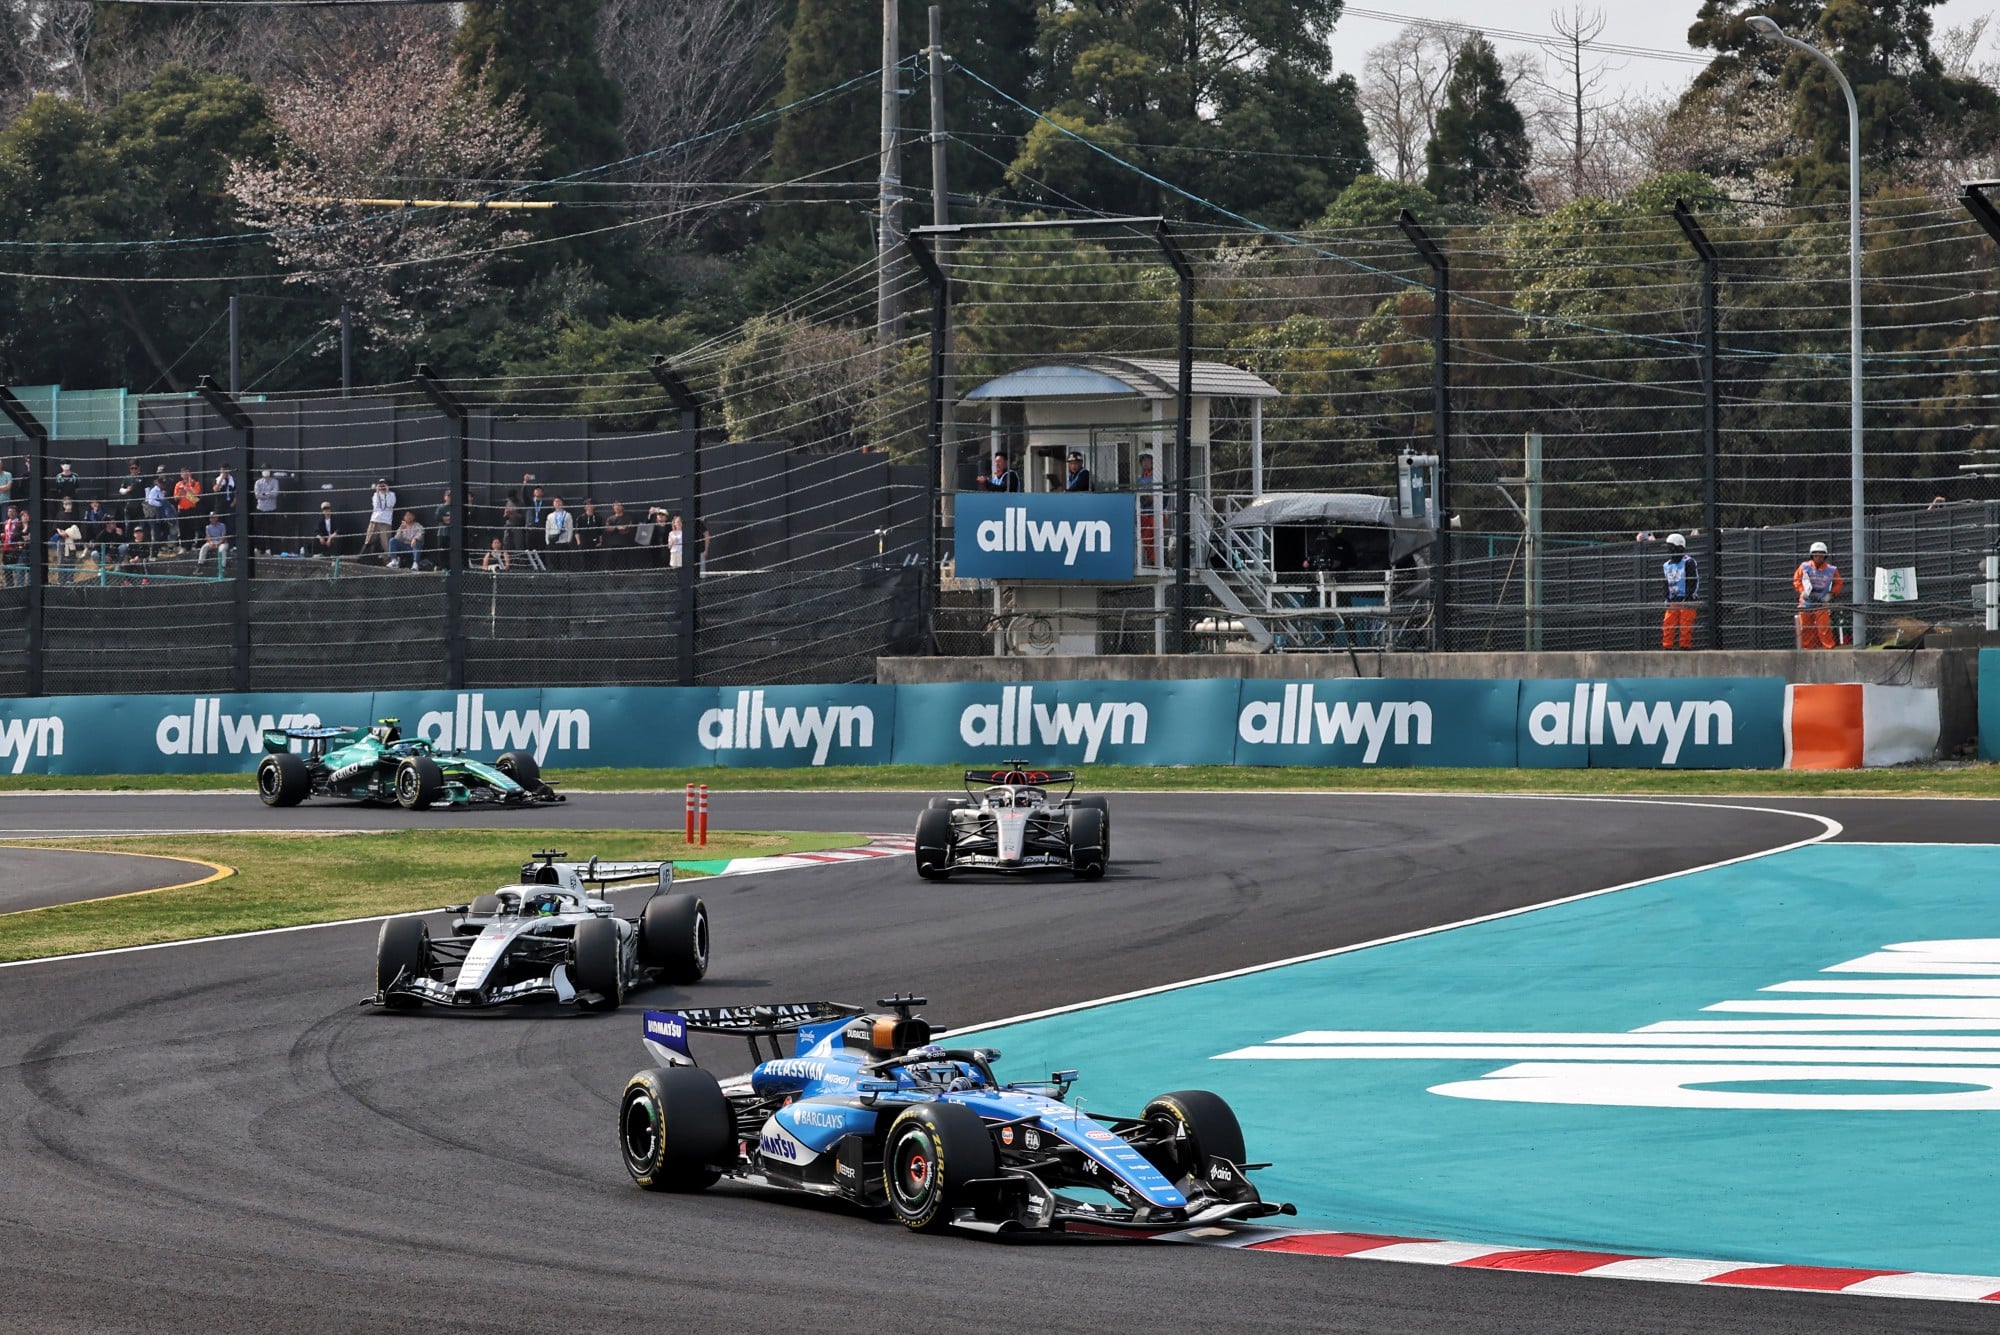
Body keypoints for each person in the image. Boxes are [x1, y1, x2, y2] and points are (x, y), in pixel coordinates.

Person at [1794, 541, 1843, 649]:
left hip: (1822, 602)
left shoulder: (1831, 570)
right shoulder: (1804, 567)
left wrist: (1831, 594)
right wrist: (1802, 591)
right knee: (1806, 628)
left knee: (1824, 627)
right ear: (1812, 555)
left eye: (1821, 555)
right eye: (1816, 555)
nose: (1818, 557)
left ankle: (1828, 649)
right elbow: (1797, 580)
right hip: (1806, 602)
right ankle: (1808, 649)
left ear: (1825, 556)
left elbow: (1838, 583)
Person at [1658, 533, 1698, 650]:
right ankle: (1667, 647)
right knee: (1668, 623)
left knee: (1686, 625)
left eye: (1671, 547)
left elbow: (1693, 580)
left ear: (1678, 547)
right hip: (1673, 599)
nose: (1668, 551)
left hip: (1687, 598)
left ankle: (1685, 647)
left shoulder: (1688, 562)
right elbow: (1665, 582)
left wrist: (1690, 595)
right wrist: (1666, 597)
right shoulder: (1666, 565)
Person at [1136, 451, 1159, 565]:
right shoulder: (1139, 479)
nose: (1146, 463)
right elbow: (1138, 496)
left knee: (1154, 537)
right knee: (1145, 539)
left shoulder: (1159, 476)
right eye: (1143, 461)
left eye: (1148, 460)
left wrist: (1152, 499)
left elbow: (1164, 495)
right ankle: (1152, 561)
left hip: (1157, 513)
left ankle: (1155, 561)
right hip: (1143, 512)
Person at [364, 479, 396, 561]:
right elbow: (376, 505)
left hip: (386, 522)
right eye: (381, 485)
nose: (382, 487)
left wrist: (387, 492)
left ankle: (388, 560)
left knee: (385, 542)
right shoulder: (375, 495)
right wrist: (378, 492)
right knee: (369, 539)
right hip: (375, 520)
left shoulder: (392, 494)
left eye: (384, 485)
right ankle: (365, 557)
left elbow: (390, 504)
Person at [173, 467, 202, 545]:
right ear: (181, 474)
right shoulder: (178, 485)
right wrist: (181, 493)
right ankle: (183, 546)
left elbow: (196, 498)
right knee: (182, 529)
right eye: (183, 472)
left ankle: (192, 545)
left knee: (192, 529)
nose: (185, 474)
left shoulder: (195, 483)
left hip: (191, 509)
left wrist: (188, 491)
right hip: (182, 510)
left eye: (187, 472)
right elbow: (175, 498)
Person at [253, 468, 280, 554]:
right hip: (260, 508)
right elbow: (257, 495)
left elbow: (275, 493)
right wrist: (268, 493)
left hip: (271, 509)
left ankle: (269, 549)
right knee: (258, 529)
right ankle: (258, 548)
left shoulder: (275, 481)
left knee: (269, 530)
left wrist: (264, 493)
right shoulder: (258, 482)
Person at [543, 495, 573, 562]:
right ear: (553, 504)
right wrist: (547, 541)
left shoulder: (567, 515)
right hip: (553, 541)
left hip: (564, 541)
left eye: (559, 501)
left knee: (564, 561)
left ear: (563, 503)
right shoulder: (550, 516)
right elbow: (547, 529)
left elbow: (570, 528)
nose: (558, 503)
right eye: (556, 501)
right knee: (553, 561)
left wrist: (568, 540)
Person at [576, 499, 603, 569]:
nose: (590, 507)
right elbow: (577, 532)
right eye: (587, 505)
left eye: (591, 505)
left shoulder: (598, 517)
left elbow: (600, 531)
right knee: (584, 561)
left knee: (595, 561)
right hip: (584, 542)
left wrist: (600, 541)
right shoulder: (580, 518)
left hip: (594, 542)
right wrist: (579, 543)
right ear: (585, 507)